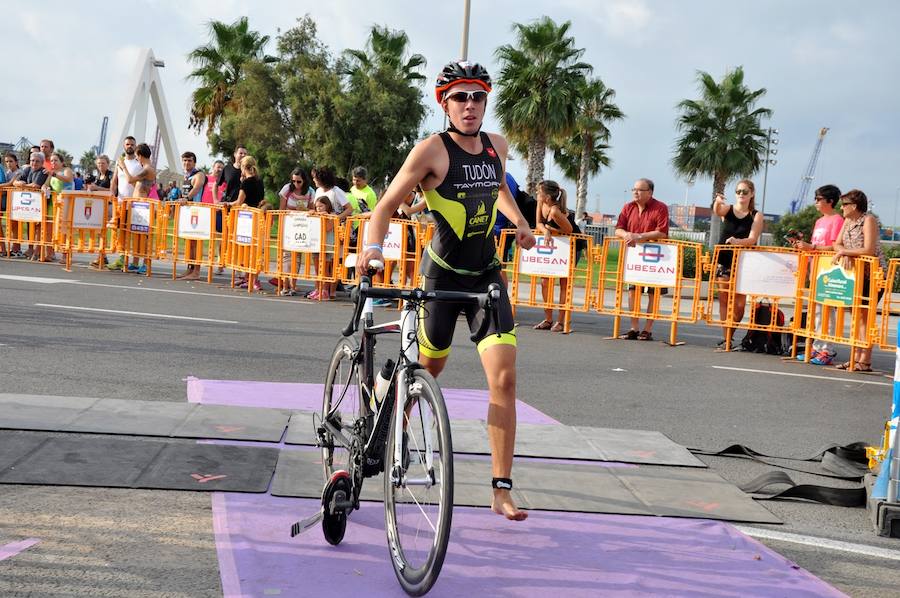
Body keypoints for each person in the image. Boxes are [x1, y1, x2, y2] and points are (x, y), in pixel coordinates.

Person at [357, 60, 536, 521]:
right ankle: (381, 398)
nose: (470, 105)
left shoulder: (497, 146)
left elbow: (496, 188)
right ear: (445, 103)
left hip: (486, 276)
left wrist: (518, 222)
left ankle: (500, 489)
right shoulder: (430, 151)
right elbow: (385, 206)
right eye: (460, 97)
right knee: (428, 370)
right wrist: (373, 248)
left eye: (477, 96)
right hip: (441, 277)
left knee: (505, 379)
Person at [788, 184, 844, 365]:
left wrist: (811, 247)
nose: (816, 203)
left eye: (819, 199)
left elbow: (836, 247)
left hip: (829, 273)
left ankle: (827, 349)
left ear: (830, 201)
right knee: (816, 312)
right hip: (815, 270)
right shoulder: (819, 222)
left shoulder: (837, 220)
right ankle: (817, 346)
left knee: (827, 312)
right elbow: (814, 246)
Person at [832, 189, 885, 372]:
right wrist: (843, 251)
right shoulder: (847, 221)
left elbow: (869, 249)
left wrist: (846, 252)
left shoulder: (868, 220)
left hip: (874, 275)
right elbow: (836, 243)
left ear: (854, 206)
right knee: (857, 316)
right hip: (857, 275)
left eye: (844, 204)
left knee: (866, 317)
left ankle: (865, 360)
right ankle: (856, 357)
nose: (841, 207)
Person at [614, 178, 669, 341]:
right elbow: (618, 229)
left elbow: (662, 232)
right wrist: (627, 235)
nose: (635, 192)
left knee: (653, 293)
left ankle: (647, 329)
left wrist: (639, 236)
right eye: (634, 189)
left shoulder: (660, 207)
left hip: (656, 257)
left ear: (650, 192)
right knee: (633, 292)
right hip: (635, 257)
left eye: (640, 190)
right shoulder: (628, 207)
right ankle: (634, 327)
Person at [712, 179, 764, 348]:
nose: (741, 194)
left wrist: (737, 241)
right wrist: (718, 201)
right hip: (725, 260)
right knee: (724, 300)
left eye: (745, 192)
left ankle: (730, 333)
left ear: (752, 194)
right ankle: (727, 338)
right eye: (738, 191)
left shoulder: (756, 215)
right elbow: (718, 210)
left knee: (740, 305)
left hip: (744, 262)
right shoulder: (728, 210)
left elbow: (753, 238)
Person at [532, 180, 574, 332]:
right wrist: (546, 230)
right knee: (545, 281)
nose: (537, 194)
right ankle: (548, 318)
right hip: (553, 246)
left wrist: (551, 229)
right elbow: (538, 223)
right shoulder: (540, 204)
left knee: (564, 283)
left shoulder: (555, 211)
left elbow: (569, 230)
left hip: (569, 246)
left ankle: (560, 321)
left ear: (547, 197)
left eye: (539, 192)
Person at [107, 137, 142, 271]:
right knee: (120, 231)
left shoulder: (139, 164)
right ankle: (122, 258)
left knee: (134, 232)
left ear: (135, 146)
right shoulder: (119, 162)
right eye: (127, 144)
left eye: (132, 144)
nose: (130, 146)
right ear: (124, 146)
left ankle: (134, 261)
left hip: (134, 203)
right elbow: (114, 180)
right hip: (120, 203)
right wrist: (112, 192)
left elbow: (138, 183)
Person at [176, 152, 208, 281]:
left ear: (194, 162)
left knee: (196, 243)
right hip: (188, 212)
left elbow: (197, 187)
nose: (186, 163)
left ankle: (196, 271)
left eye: (189, 160)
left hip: (198, 212)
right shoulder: (186, 176)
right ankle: (190, 268)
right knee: (189, 242)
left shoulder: (199, 174)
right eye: (184, 160)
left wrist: (187, 198)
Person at [10, 152, 49, 259]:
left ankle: (38, 251)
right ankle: (30, 248)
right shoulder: (27, 169)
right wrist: (19, 184)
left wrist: (23, 185)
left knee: (38, 229)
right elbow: (15, 182)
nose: (34, 163)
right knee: (29, 227)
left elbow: (35, 186)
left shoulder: (43, 171)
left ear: (42, 162)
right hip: (28, 206)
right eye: (32, 160)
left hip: (39, 205)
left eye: (37, 161)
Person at [311, 195, 337, 300]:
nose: (319, 209)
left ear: (327, 206)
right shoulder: (317, 216)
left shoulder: (332, 216)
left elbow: (328, 228)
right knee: (317, 269)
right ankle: (317, 289)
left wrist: (325, 217)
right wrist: (312, 214)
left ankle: (325, 290)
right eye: (317, 207)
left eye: (321, 206)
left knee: (325, 269)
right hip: (316, 244)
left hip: (327, 246)